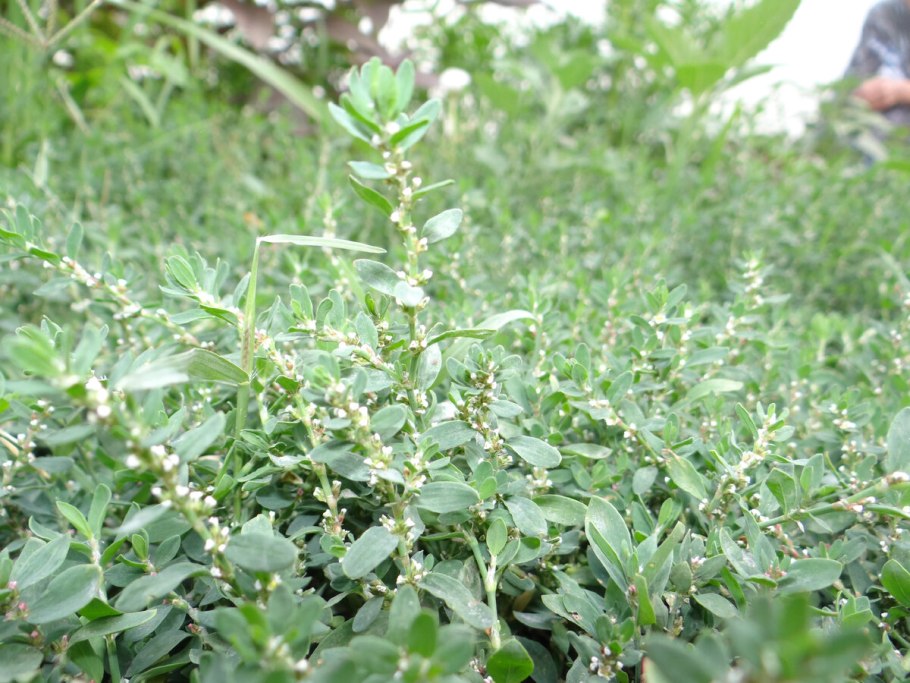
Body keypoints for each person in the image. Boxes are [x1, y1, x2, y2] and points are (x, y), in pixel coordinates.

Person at [847, 0, 910, 125]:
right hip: (874, 132)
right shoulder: (883, 15)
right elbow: (852, 83)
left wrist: (900, 91)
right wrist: (862, 94)